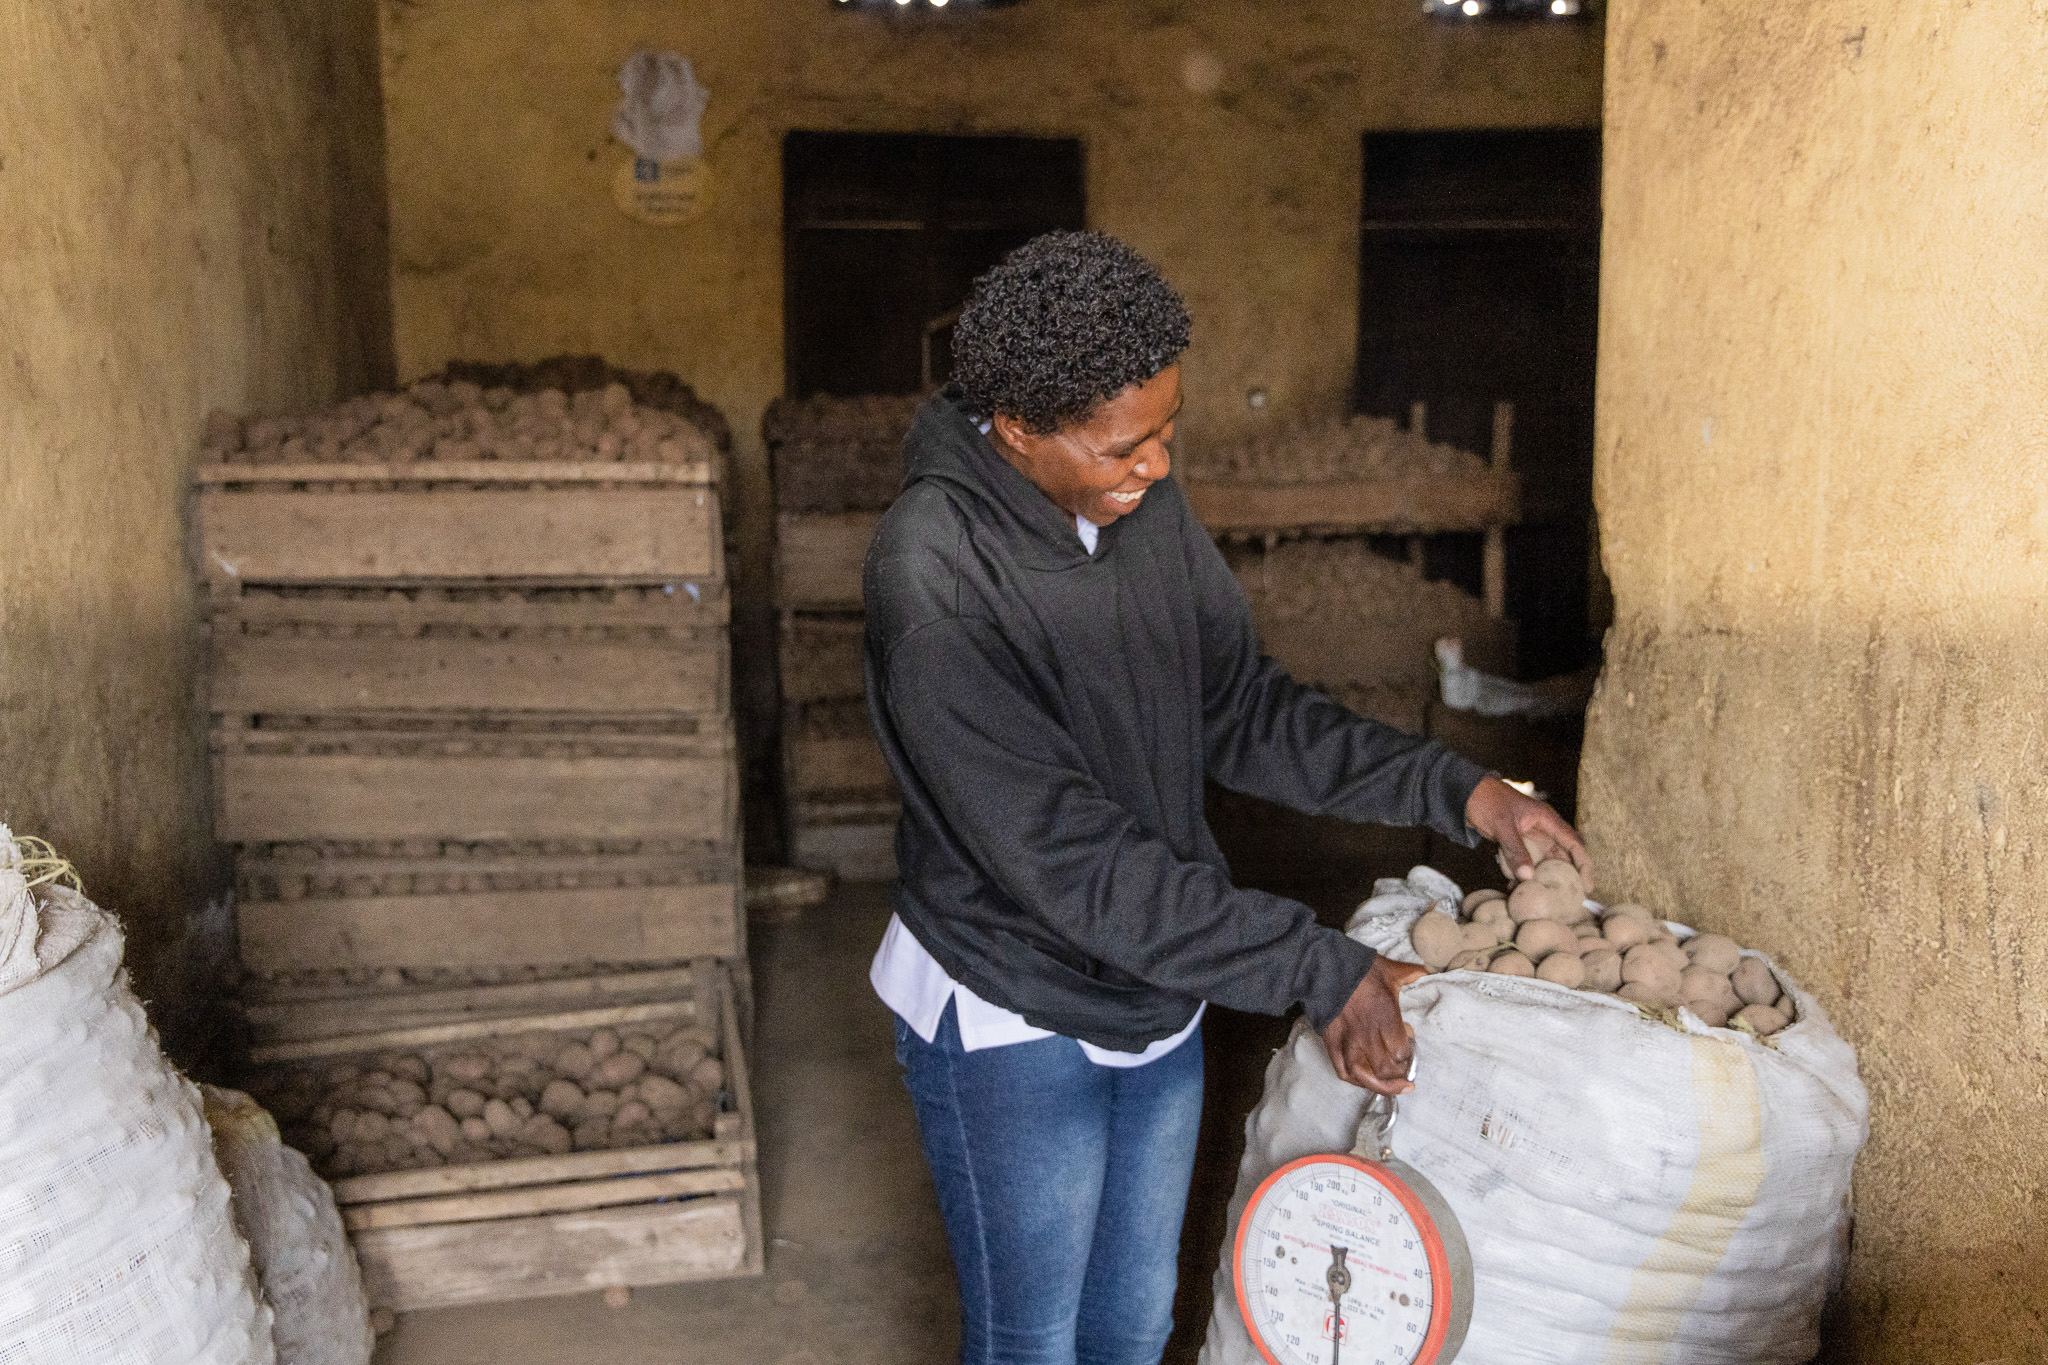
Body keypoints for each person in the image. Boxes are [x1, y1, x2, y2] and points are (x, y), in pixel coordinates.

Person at [862, 230, 1590, 1365]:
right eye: (1122, 445)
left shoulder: (1132, 503)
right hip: (1012, 1004)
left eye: (1165, 429)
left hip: (1159, 978)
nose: (1152, 465)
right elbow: (1069, 863)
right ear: (1015, 431)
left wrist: (1457, 789)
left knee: (1133, 1323)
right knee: (1032, 1342)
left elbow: (1239, 707)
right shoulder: (935, 575)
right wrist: (1317, 966)